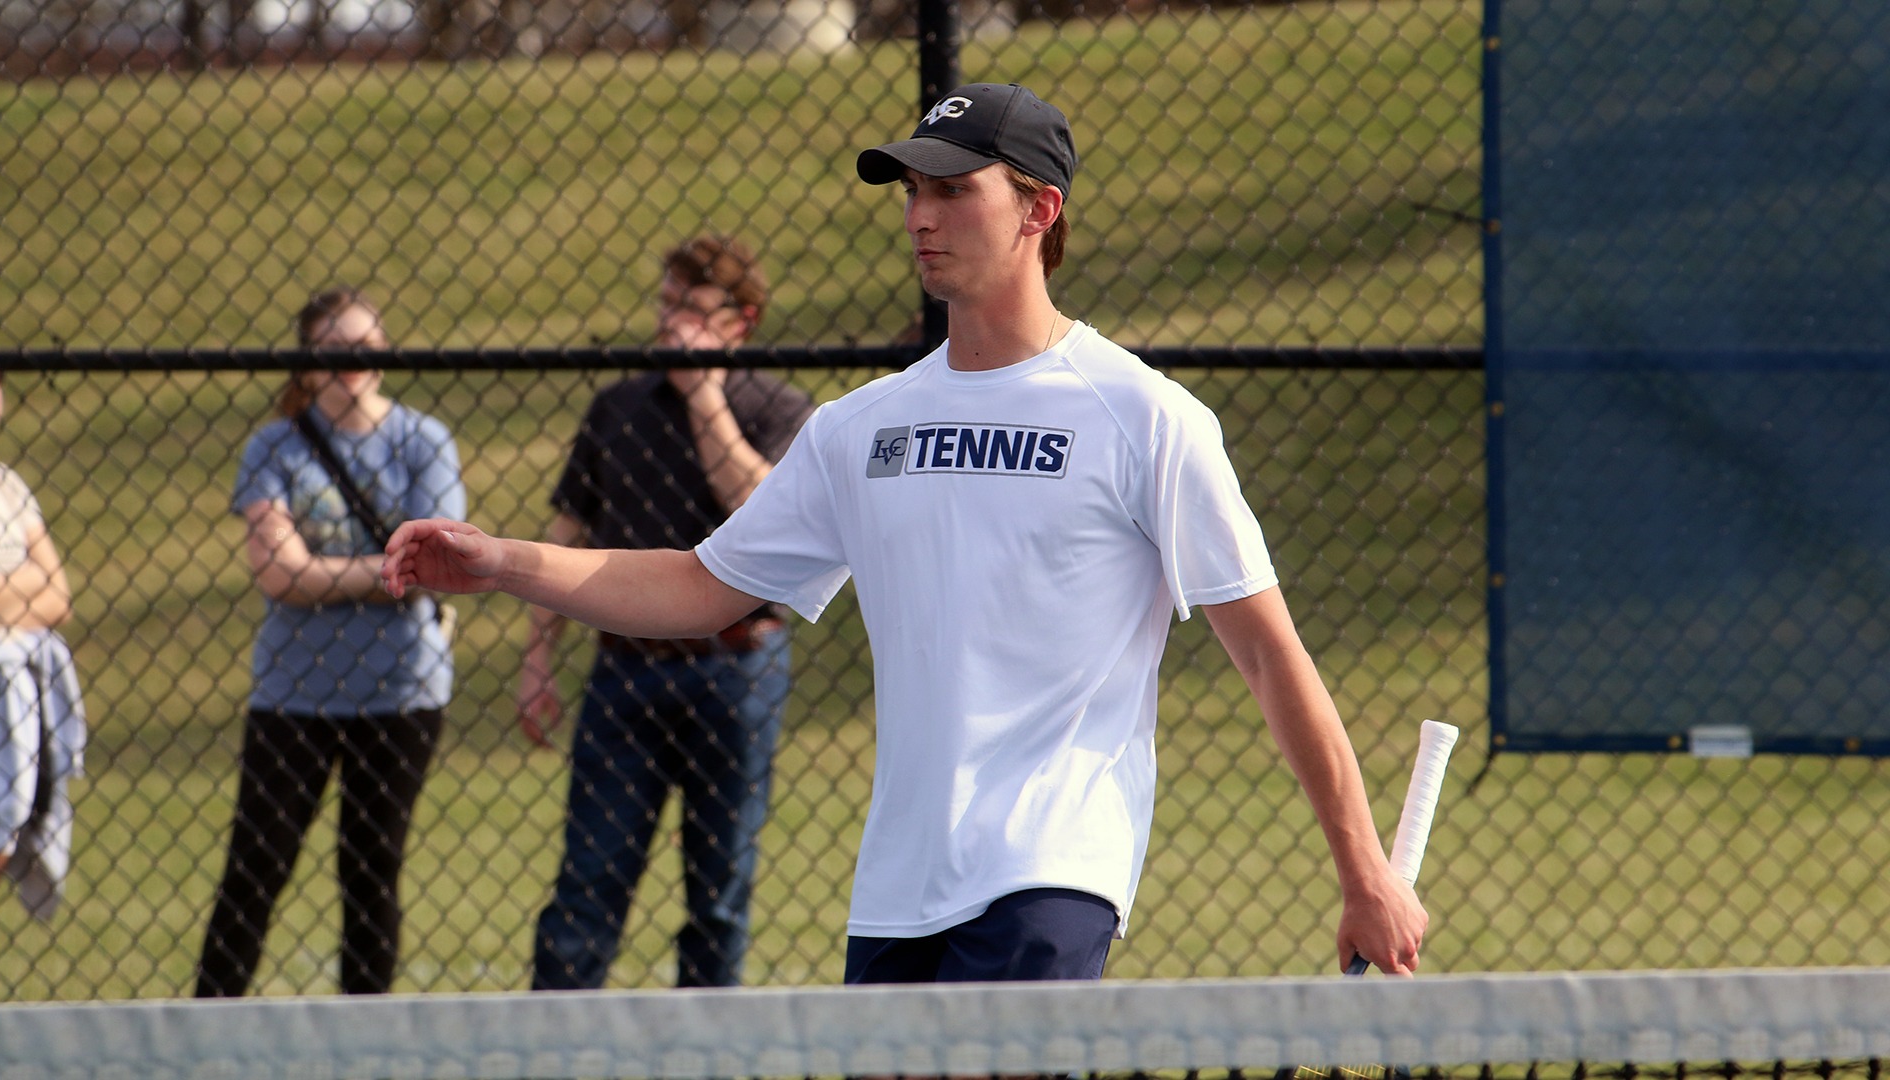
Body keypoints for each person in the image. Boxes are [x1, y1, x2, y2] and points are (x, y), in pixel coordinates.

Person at [382, 83, 1427, 985]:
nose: (921, 214)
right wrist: (503, 561)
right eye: (914, 190)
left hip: (1049, 878)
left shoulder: (1144, 418)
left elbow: (1267, 653)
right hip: (892, 895)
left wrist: (1364, 870)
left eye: (953, 188)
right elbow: (702, 587)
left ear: (1037, 210)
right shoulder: (860, 428)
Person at [517, 235, 814, 989]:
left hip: (736, 670)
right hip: (625, 673)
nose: (671, 320)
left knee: (719, 895)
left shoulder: (778, 407)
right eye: (666, 302)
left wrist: (705, 396)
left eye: (692, 307)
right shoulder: (618, 405)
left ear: (740, 321)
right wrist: (537, 657)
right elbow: (569, 533)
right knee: (588, 885)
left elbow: (757, 505)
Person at [195, 287, 466, 997]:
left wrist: (328, 572)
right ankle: (201, 1032)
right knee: (256, 867)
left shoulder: (422, 440)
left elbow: (440, 561)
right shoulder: (275, 446)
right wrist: (387, 570)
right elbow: (278, 574)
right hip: (296, 694)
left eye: (367, 348)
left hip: (400, 692)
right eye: (334, 350)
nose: (353, 363)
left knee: (371, 869)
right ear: (307, 361)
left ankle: (364, 1042)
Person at [0, 327, 83, 995]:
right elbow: (32, 590)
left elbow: (59, 594)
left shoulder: (4, 485)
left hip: (8, 700)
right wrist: (15, 593)